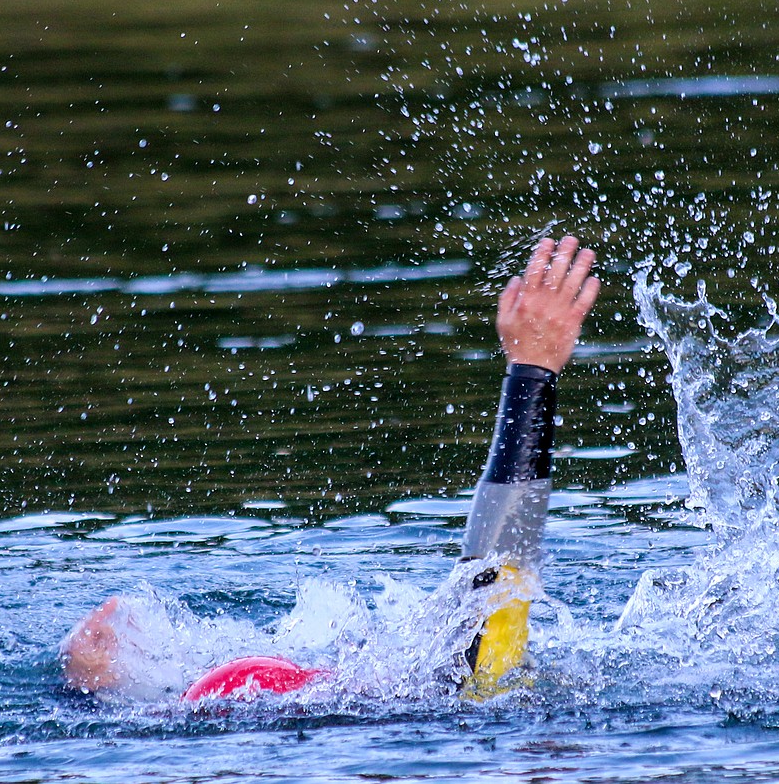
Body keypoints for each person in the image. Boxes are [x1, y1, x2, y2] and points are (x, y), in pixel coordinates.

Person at [60, 235, 601, 702]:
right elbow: (497, 586)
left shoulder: (253, 703)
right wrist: (531, 372)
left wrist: (96, 692)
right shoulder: (463, 705)